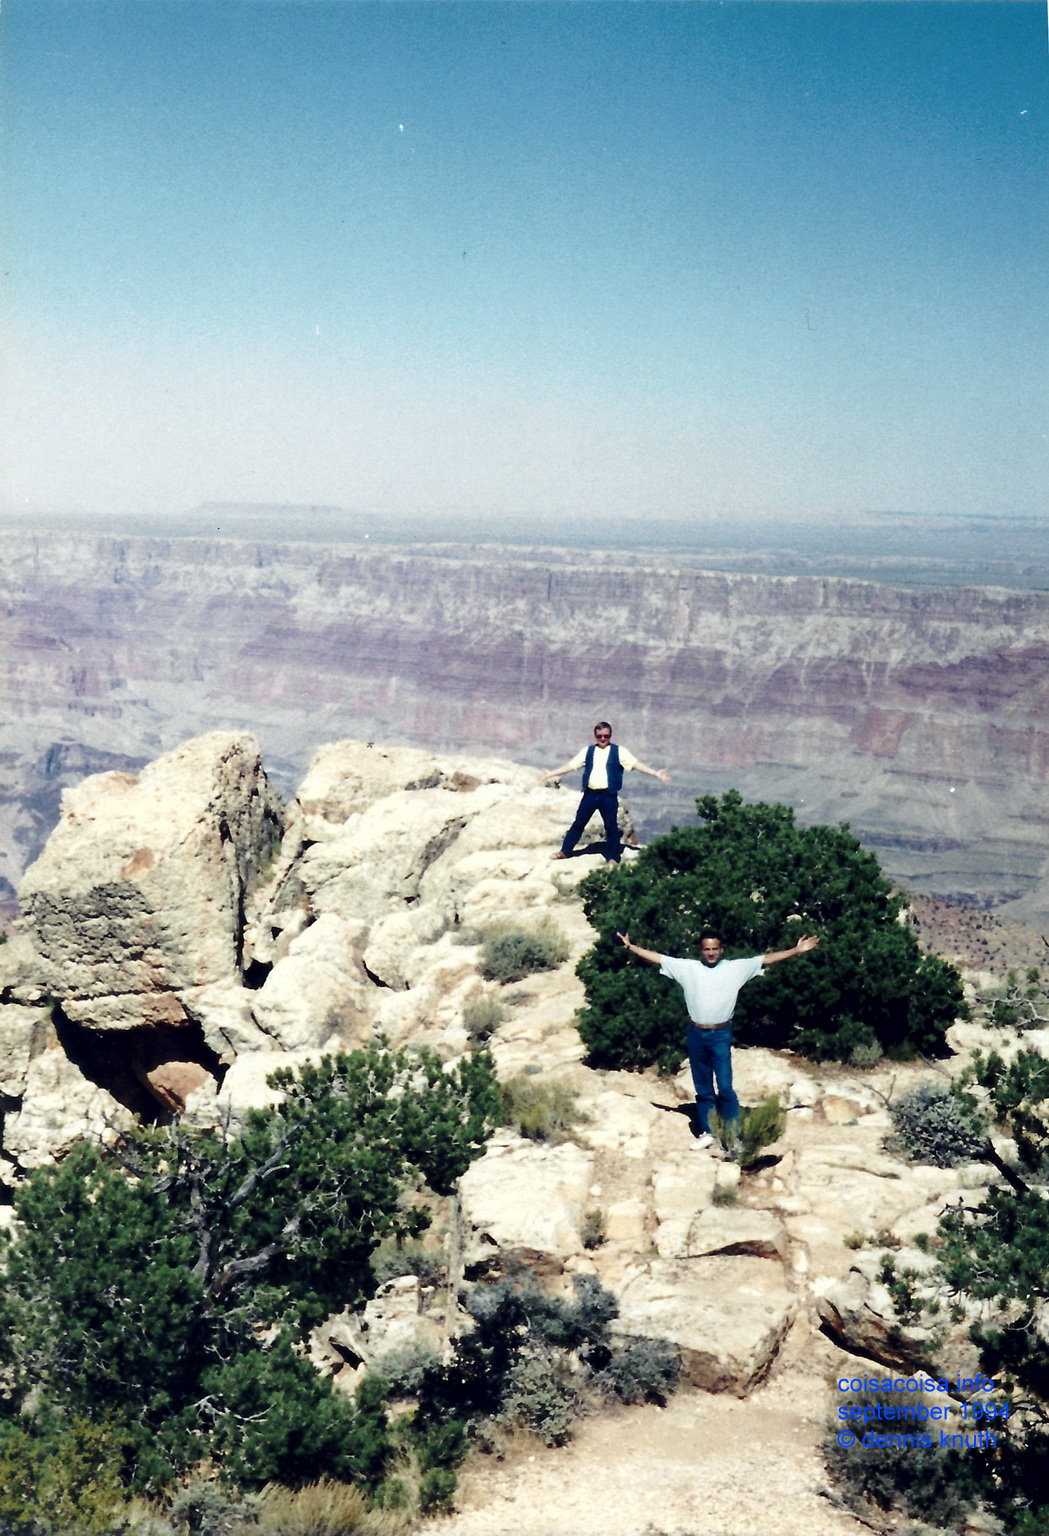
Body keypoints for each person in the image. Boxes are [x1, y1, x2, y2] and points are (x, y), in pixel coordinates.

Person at [616, 927, 821, 1151]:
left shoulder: (736, 968)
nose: (711, 953)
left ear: (721, 949)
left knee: (725, 1087)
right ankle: (707, 1132)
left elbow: (766, 959)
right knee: (703, 1087)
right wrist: (631, 947)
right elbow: (658, 958)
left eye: (715, 949)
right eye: (706, 949)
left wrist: (795, 950)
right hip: (696, 1032)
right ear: (700, 950)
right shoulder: (688, 968)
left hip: (721, 1034)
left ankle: (733, 1136)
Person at [541, 722, 671, 864]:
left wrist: (655, 773)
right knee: (579, 823)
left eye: (606, 736)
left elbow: (636, 764)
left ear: (610, 736)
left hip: (608, 795)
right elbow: (570, 766)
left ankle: (613, 857)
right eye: (600, 736)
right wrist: (550, 773)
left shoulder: (619, 752)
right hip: (590, 794)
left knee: (611, 827)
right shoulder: (588, 751)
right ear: (595, 736)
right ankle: (565, 851)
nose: (603, 739)